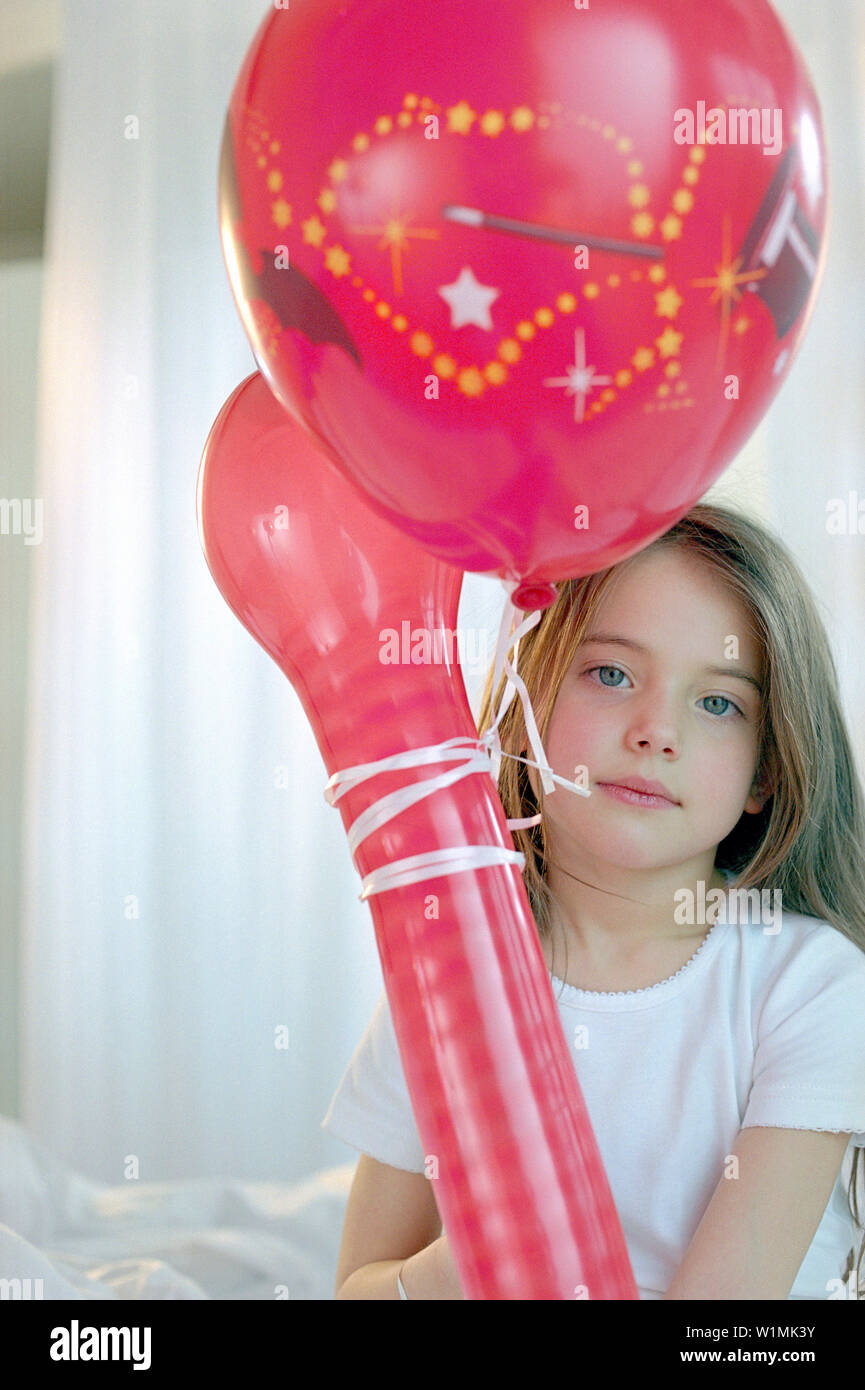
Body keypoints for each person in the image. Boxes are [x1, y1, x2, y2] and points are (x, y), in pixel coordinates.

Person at [322, 502, 865, 1299]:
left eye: (717, 703)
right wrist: (468, 1261)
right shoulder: (443, 983)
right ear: (524, 702)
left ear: (765, 773)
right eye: (609, 673)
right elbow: (359, 1288)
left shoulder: (811, 986)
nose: (655, 731)